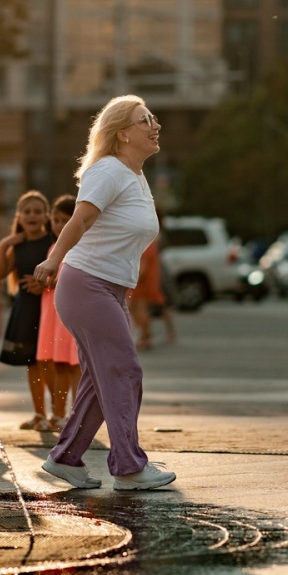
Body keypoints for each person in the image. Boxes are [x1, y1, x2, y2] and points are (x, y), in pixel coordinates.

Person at [34, 94, 176, 491]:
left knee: (102, 379)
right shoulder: (109, 170)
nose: (154, 125)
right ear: (122, 134)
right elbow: (79, 219)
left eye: (153, 116)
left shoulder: (134, 175)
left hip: (110, 288)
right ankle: (129, 467)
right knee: (124, 370)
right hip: (86, 283)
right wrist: (52, 261)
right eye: (144, 119)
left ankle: (66, 458)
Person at [0, 190, 54, 431]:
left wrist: (44, 286)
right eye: (27, 211)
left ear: (45, 216)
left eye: (37, 212)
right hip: (25, 308)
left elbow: (63, 272)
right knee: (32, 363)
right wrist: (5, 243)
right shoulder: (17, 245)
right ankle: (39, 414)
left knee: (49, 361)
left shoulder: (53, 242)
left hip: (48, 308)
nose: (32, 216)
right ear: (19, 215)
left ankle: (58, 414)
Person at [35, 194, 82, 431]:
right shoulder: (54, 247)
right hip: (51, 313)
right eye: (56, 219)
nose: (60, 225)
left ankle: (77, 413)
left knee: (73, 365)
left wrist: (52, 281)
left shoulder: (79, 247)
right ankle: (58, 412)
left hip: (68, 312)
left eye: (66, 220)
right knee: (55, 363)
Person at [128, 232, 176, 350]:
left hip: (142, 283)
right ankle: (146, 336)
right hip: (148, 282)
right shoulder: (151, 246)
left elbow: (142, 269)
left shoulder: (146, 247)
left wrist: (131, 281)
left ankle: (145, 338)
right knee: (140, 309)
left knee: (141, 310)